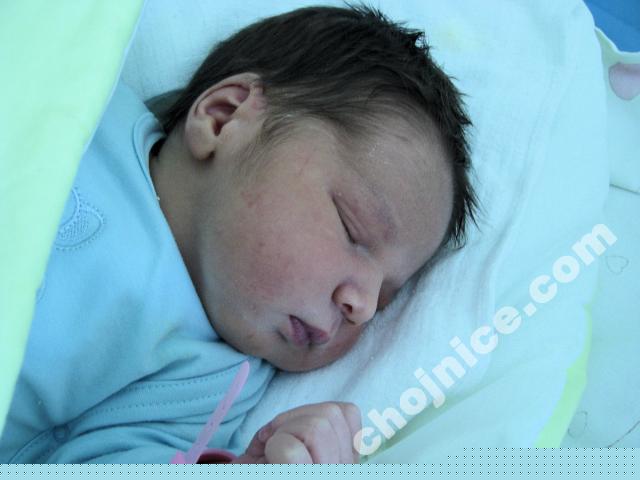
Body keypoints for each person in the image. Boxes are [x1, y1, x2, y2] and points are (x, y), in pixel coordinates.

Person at [0, 3, 478, 464]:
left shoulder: (207, 379)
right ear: (223, 116)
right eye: (355, 229)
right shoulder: (77, 100)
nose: (364, 306)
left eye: (386, 298)